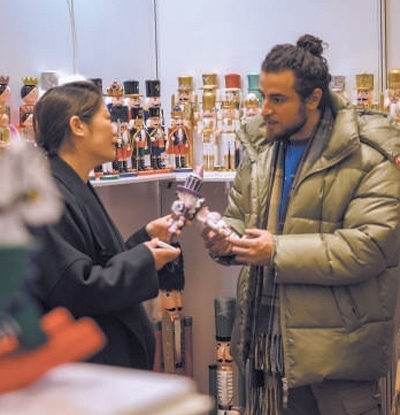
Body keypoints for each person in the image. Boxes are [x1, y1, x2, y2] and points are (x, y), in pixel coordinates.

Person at [201, 34, 400, 415]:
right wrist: (223, 239)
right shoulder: (260, 150)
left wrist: (276, 251)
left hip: (339, 352)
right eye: (263, 97)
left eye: (278, 99)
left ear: (313, 99)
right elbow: (240, 218)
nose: (265, 110)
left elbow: (370, 246)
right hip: (267, 347)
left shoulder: (368, 154)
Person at [31, 80, 181, 371]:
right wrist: (145, 258)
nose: (116, 130)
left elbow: (98, 261)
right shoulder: (48, 195)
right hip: (84, 370)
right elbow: (78, 287)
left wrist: (144, 239)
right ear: (78, 126)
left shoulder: (71, 183)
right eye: (108, 118)